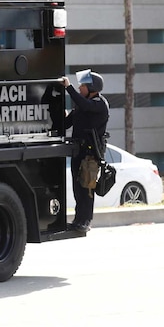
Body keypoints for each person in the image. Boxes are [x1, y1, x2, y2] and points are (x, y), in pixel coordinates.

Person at [61, 69, 109, 233]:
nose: (80, 88)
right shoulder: (82, 105)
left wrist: (68, 87)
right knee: (77, 187)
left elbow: (85, 105)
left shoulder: (99, 104)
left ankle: (86, 221)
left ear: (92, 88)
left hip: (90, 155)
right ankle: (78, 220)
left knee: (86, 188)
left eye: (83, 85)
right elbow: (67, 123)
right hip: (78, 152)